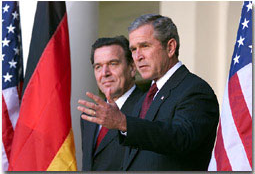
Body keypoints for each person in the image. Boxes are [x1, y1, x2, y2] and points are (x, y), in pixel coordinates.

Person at [78, 14, 219, 171]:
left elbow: (181, 138)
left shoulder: (195, 90)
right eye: (133, 49)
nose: (138, 57)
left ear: (170, 47)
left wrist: (124, 123)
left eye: (145, 46)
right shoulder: (146, 98)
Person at [79, 36, 144, 171]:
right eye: (98, 67)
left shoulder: (149, 107)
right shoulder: (89, 117)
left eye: (113, 63)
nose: (105, 73)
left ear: (132, 68)